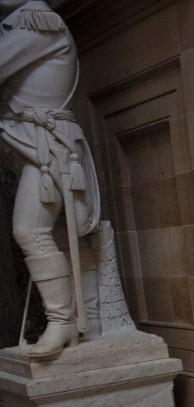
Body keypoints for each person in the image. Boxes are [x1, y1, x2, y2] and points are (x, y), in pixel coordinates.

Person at [0, 0, 104, 358]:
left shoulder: (38, 23)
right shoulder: (19, 25)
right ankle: (70, 322)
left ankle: (62, 323)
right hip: (36, 145)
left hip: (50, 149)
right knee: (50, 234)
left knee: (30, 231)